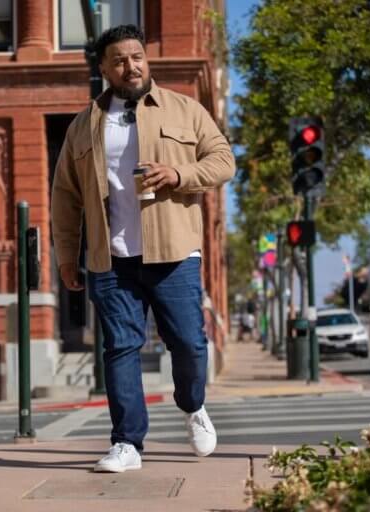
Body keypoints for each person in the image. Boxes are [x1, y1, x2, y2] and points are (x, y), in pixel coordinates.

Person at [51, 25, 235, 473]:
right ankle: (127, 443)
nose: (130, 66)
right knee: (120, 347)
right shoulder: (84, 126)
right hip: (111, 258)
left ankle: (193, 406)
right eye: (118, 59)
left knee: (190, 344)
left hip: (173, 252)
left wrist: (178, 175)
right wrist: (66, 257)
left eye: (137, 57)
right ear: (103, 68)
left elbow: (223, 160)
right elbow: (65, 197)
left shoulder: (184, 109)